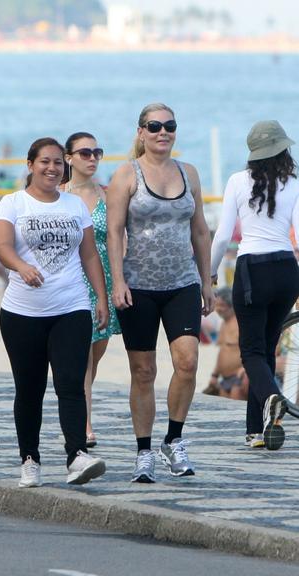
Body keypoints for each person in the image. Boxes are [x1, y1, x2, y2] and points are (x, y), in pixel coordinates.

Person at [0, 137, 109, 488]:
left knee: (71, 383)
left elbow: (89, 255)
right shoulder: (13, 203)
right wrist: (20, 267)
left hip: (70, 307)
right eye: (45, 161)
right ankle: (29, 459)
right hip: (22, 313)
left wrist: (100, 298)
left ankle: (76, 456)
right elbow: (1, 244)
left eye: (59, 162)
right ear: (30, 165)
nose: (52, 168)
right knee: (29, 389)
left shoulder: (74, 206)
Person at [107, 103, 215, 482]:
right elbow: (114, 232)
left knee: (187, 363)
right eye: (154, 126)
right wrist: (118, 282)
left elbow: (200, 230)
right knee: (143, 371)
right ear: (141, 132)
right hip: (138, 286)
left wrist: (207, 280)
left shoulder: (190, 173)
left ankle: (174, 438)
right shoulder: (126, 175)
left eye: (169, 126)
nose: (162, 132)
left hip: (182, 282)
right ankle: (144, 451)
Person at [211, 120, 299, 451]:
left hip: (253, 271)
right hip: (286, 271)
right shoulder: (293, 183)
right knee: (266, 348)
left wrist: (212, 272)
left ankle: (273, 398)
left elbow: (222, 236)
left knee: (251, 351)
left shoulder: (237, 181)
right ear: (283, 150)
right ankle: (257, 431)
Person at [63, 131, 121, 448]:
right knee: (81, 357)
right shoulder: (58, 195)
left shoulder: (108, 195)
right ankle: (83, 424)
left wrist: (120, 282)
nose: (92, 158)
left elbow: (117, 240)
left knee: (94, 359)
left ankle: (76, 408)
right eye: (84, 153)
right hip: (71, 280)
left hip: (104, 280)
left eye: (96, 152)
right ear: (68, 157)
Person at [203, 287, 249, 402]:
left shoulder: (241, 323)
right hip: (225, 379)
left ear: (231, 305)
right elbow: (223, 351)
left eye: (222, 305)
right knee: (226, 412)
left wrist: (245, 369)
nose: (218, 309)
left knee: (237, 410)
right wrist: (214, 375)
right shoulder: (224, 324)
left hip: (239, 377)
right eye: (217, 305)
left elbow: (252, 349)